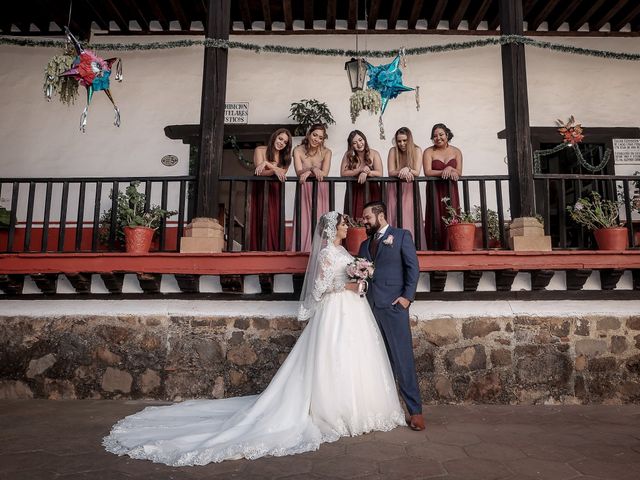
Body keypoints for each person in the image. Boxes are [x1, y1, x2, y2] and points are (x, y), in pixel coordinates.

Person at [103, 211, 405, 466]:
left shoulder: (343, 252)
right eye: (341, 224)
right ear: (331, 229)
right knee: (332, 357)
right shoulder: (327, 254)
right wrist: (347, 288)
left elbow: (348, 275)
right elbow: (318, 290)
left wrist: (358, 278)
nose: (345, 227)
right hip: (336, 311)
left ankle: (359, 408)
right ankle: (333, 410)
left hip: (352, 311)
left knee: (353, 357)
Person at [358, 200, 424, 431]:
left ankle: (415, 411)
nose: (363, 221)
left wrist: (407, 298)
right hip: (369, 309)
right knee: (377, 362)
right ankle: (383, 411)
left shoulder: (401, 236)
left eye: (367, 217)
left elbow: (413, 268)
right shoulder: (364, 245)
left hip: (395, 308)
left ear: (381, 215)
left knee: (402, 358)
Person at [290, 124, 331, 252]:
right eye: (314, 135)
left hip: (320, 189)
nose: (316, 139)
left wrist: (309, 172)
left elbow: (324, 173)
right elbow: (298, 172)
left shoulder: (327, 152)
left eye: (320, 137)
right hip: (304, 187)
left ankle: (321, 251)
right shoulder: (297, 150)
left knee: (320, 219)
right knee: (303, 220)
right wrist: (312, 168)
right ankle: (302, 250)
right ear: (309, 134)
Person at [248, 128, 292, 251]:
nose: (281, 143)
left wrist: (267, 164)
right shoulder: (260, 150)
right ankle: (257, 250)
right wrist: (273, 169)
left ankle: (274, 249)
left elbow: (282, 173)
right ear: (274, 137)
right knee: (260, 217)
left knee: (274, 219)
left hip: (275, 189)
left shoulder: (286, 157)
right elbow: (259, 172)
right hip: (261, 188)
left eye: (285, 142)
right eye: (280, 138)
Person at [423, 123, 463, 250]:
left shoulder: (456, 151)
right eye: (434, 136)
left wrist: (451, 168)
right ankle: (435, 247)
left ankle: (452, 246)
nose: (438, 138)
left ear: (447, 135)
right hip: (435, 189)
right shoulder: (429, 151)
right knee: (435, 217)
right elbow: (427, 172)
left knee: (451, 215)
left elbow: (459, 172)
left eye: (441, 135)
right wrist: (443, 172)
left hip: (450, 188)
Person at [386, 127, 426, 249]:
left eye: (404, 141)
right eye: (399, 141)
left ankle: (411, 246)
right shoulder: (393, 151)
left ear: (410, 139)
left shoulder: (417, 150)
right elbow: (391, 172)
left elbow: (417, 172)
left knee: (409, 216)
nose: (402, 144)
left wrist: (408, 169)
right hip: (394, 187)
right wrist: (402, 171)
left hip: (409, 187)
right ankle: (393, 246)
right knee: (394, 215)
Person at [340, 130, 383, 219]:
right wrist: (360, 170)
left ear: (364, 139)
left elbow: (379, 173)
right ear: (351, 145)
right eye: (355, 143)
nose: (359, 144)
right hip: (355, 190)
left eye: (360, 140)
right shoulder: (348, 155)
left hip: (372, 190)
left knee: (373, 217)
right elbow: (343, 173)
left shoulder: (374, 153)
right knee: (355, 217)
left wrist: (367, 172)